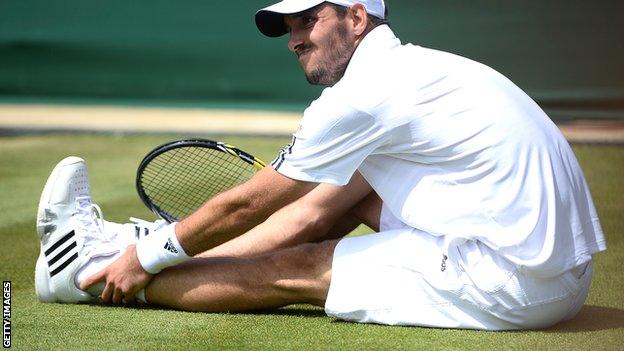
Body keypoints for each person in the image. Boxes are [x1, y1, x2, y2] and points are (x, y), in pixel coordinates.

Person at [34, 0, 606, 330]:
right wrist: (168, 245)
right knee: (339, 202)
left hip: (516, 283)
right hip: (557, 273)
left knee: (308, 265)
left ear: (357, 18)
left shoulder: (368, 93)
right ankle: (121, 251)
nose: (293, 39)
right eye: (289, 27)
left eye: (308, 19)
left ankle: (91, 280)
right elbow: (309, 212)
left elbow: (249, 203)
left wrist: (151, 258)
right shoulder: (419, 69)